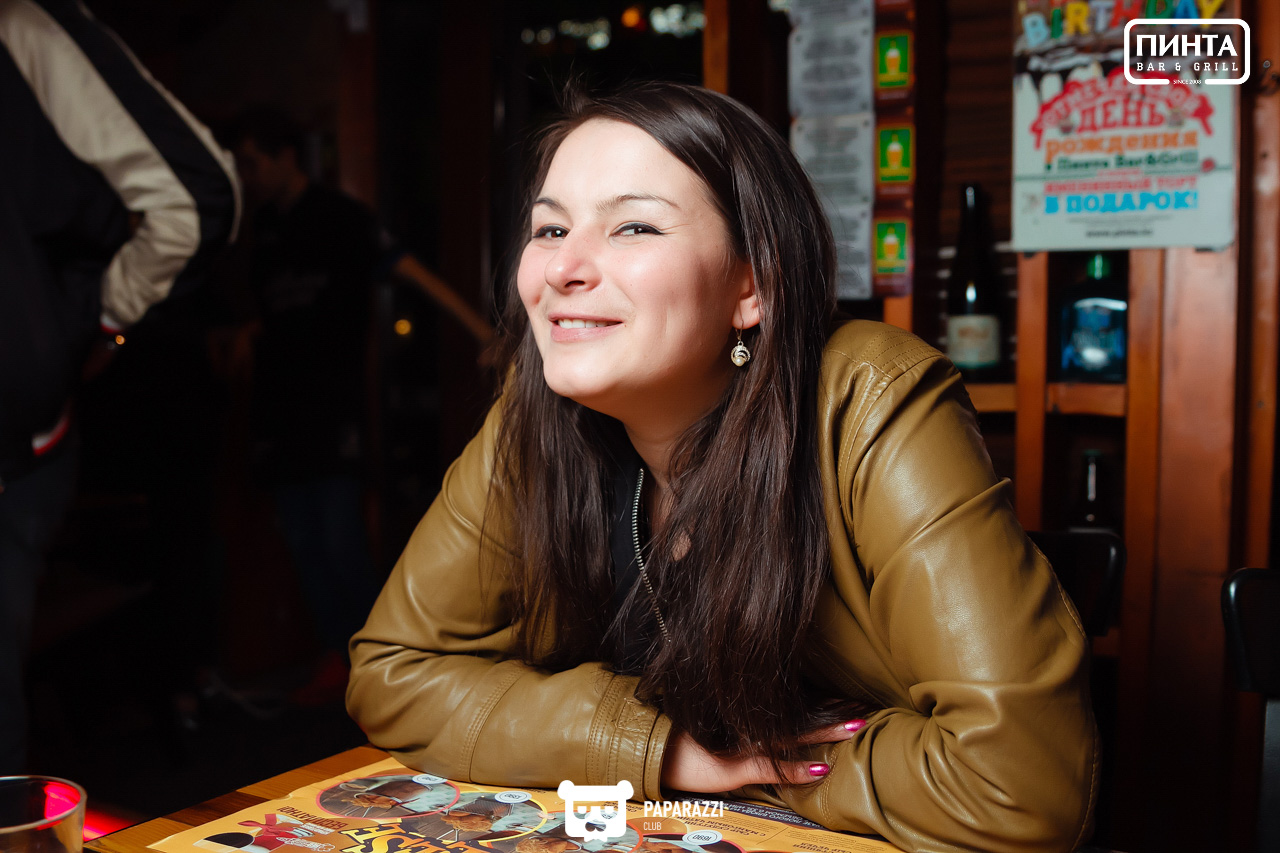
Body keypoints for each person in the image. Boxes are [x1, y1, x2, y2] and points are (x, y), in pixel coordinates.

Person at [346, 81, 1097, 853]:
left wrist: (755, 764)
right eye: (550, 228)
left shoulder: (871, 398)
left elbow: (1019, 784)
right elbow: (392, 671)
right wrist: (665, 747)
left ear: (752, 284)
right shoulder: (534, 413)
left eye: (634, 226)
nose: (562, 267)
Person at [0, 0, 239, 773]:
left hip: (54, 433)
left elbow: (198, 200)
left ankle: (190, 690)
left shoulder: (20, 29)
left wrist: (98, 326)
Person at [232, 110, 493, 700]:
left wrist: (482, 331)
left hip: (331, 405)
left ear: (285, 157)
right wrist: (248, 331)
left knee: (338, 537)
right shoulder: (264, 230)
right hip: (277, 407)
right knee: (302, 539)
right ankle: (339, 658)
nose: (247, 177)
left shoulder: (339, 216)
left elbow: (412, 273)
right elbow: (276, 308)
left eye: (252, 162)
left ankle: (387, 664)